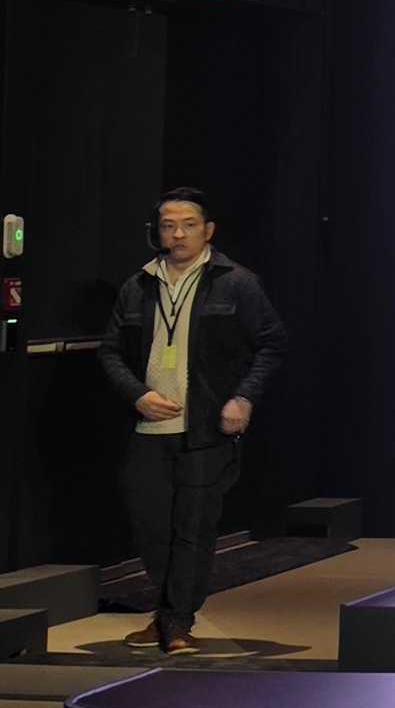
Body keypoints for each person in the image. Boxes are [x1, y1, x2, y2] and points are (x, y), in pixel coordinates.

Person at [92, 187, 289, 655]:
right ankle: (165, 614)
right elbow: (110, 351)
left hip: (205, 429)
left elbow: (272, 342)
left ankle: (178, 621)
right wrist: (138, 395)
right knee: (150, 527)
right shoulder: (138, 284)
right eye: (168, 225)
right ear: (156, 232)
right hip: (147, 429)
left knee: (194, 529)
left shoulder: (236, 282)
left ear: (208, 231)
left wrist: (243, 398)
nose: (177, 234)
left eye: (188, 225)